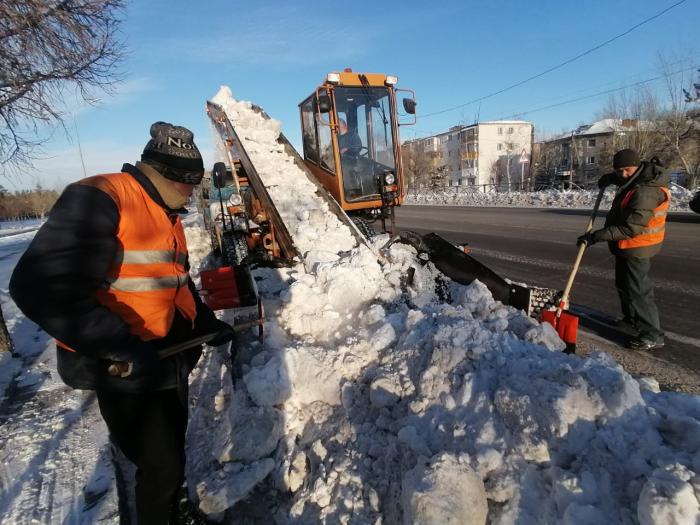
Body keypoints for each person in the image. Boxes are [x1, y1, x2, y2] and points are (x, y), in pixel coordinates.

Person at [9, 122, 234, 524]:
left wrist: (204, 324)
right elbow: (37, 285)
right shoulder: (100, 198)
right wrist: (118, 343)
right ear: (169, 177)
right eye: (189, 186)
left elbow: (174, 281)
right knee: (159, 463)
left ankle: (173, 507)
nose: (192, 195)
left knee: (170, 452)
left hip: (165, 355)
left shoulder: (165, 212)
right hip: (125, 364)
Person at [577, 148, 671, 351]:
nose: (623, 175)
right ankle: (631, 320)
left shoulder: (646, 191)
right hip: (626, 244)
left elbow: (630, 228)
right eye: (619, 171)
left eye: (627, 170)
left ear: (636, 167)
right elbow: (624, 178)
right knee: (623, 284)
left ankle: (653, 334)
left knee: (638, 291)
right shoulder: (635, 178)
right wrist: (609, 178)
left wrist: (595, 236)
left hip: (638, 245)